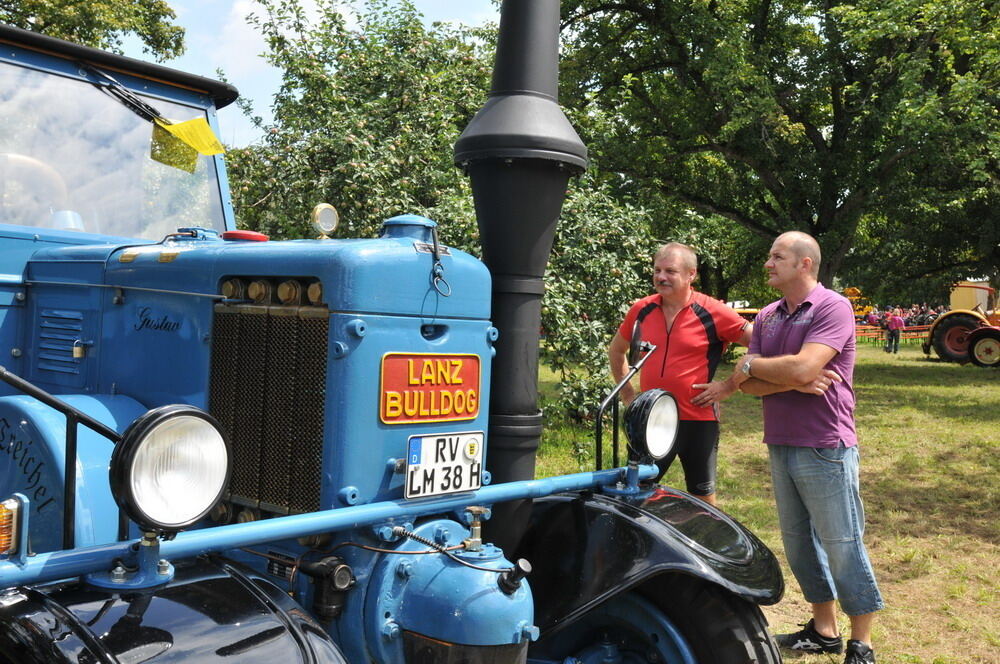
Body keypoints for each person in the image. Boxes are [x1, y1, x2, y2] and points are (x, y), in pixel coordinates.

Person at [731, 231, 882, 664]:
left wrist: (761, 367)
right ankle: (823, 630)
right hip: (780, 441)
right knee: (799, 544)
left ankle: (862, 644)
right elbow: (749, 386)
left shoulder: (833, 306)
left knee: (842, 542)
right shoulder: (768, 316)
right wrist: (775, 374)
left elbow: (803, 366)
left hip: (824, 443)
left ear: (804, 264)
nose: (768, 263)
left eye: (777, 256)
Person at [608, 242, 751, 506]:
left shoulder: (713, 311)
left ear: (691, 274)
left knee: (702, 498)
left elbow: (761, 343)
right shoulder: (641, 310)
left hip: (697, 418)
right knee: (635, 493)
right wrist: (629, 396)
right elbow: (616, 351)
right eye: (657, 270)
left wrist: (729, 386)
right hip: (650, 420)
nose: (661, 277)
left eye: (670, 271)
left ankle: (705, 543)